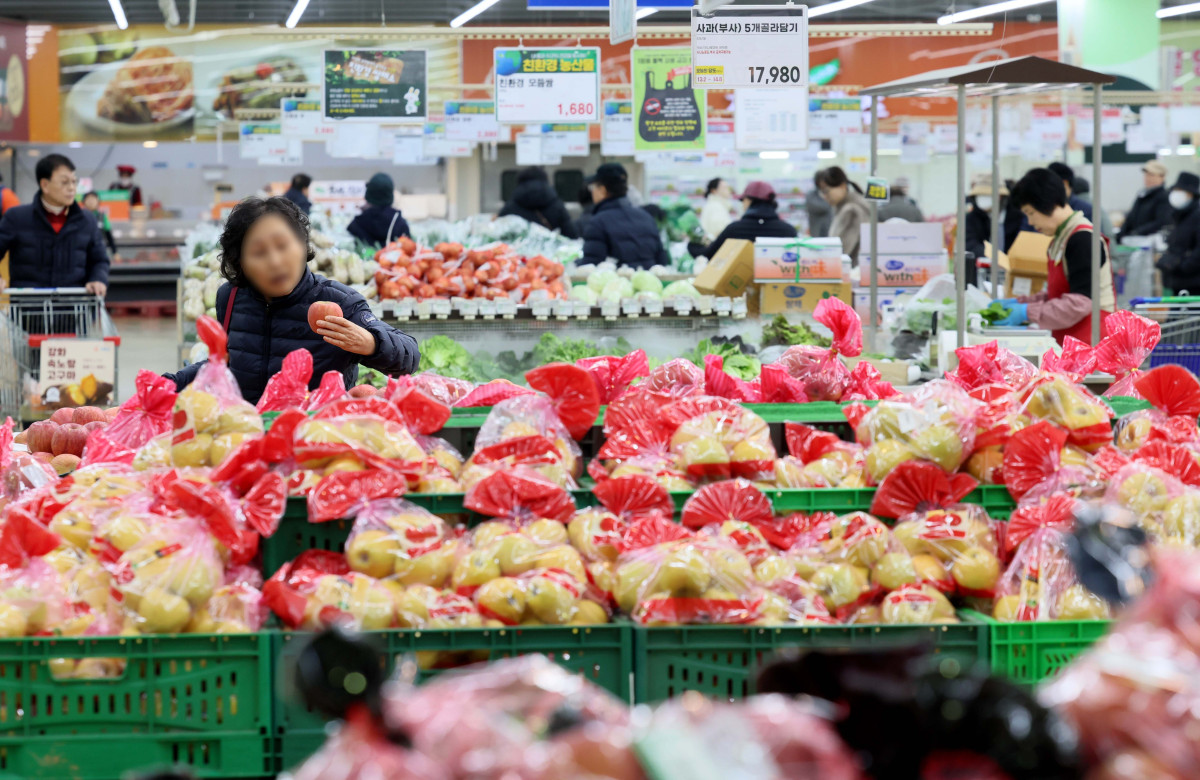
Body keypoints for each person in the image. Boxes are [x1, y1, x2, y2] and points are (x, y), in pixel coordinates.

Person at [164, 197, 418, 404]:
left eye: (283, 246)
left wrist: (372, 344)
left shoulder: (339, 302)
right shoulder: (230, 298)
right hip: (249, 438)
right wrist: (170, 384)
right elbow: (224, 364)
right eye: (259, 252)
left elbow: (409, 358)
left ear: (301, 244)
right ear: (240, 262)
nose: (275, 261)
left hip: (316, 440)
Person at [997, 168, 1115, 345]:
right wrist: (1021, 302)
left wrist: (1027, 312)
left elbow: (1080, 303)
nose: (1030, 222)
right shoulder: (1062, 237)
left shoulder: (1082, 239)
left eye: (1030, 213)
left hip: (1093, 342)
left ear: (1047, 203)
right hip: (1073, 339)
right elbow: (1061, 293)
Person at [0, 154, 109, 296]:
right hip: (29, 310)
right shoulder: (17, 218)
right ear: (44, 185)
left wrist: (98, 279)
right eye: (64, 182)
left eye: (74, 182)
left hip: (75, 309)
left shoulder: (87, 220)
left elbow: (100, 260)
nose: (71, 188)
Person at [581, 162, 668, 269]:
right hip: (650, 283)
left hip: (616, 284)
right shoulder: (646, 217)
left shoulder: (598, 222)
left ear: (603, 190)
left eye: (593, 187)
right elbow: (662, 260)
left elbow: (591, 266)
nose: (592, 191)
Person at [701, 181, 797, 258]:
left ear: (749, 201)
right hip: (778, 282)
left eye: (743, 201)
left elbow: (709, 255)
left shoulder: (734, 230)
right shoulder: (788, 231)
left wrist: (693, 245)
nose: (742, 205)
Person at [498, 167, 576, 237]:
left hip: (517, 252)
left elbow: (499, 234)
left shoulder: (511, 206)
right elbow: (571, 234)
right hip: (550, 251)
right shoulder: (556, 205)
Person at [815, 166, 871, 265]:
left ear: (842, 186)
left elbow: (841, 251)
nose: (824, 196)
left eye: (826, 191)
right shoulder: (843, 206)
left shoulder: (852, 210)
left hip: (852, 272)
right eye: (821, 192)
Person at [1156, 172, 1200, 294]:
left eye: (1180, 190)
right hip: (1177, 281)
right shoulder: (1177, 216)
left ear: (1191, 194)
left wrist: (1183, 267)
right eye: (1175, 189)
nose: (1176, 193)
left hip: (1193, 283)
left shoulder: (1196, 216)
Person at [963, 175, 1008, 285]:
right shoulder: (972, 218)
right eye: (980, 195)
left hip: (1009, 271)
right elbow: (970, 243)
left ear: (999, 196)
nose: (982, 199)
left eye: (987, 195)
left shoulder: (1014, 216)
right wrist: (991, 257)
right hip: (981, 272)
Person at [347, 173, 409, 248]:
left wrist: (364, 212)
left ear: (368, 195)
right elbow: (408, 248)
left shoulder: (358, 223)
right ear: (390, 195)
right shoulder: (400, 224)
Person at [1117, 160, 1173, 242]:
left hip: (1150, 241)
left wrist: (1137, 232)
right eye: (1146, 175)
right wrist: (1120, 235)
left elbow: (1161, 222)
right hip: (1134, 239)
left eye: (1152, 175)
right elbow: (1131, 217)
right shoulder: (1142, 195)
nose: (1148, 178)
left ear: (1162, 177)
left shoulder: (1164, 197)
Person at [81, 191, 118, 259]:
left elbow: (109, 236)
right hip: (82, 252)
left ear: (98, 201)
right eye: (88, 199)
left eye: (93, 199)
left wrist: (115, 252)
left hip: (98, 251)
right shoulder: (79, 217)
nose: (91, 201)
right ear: (84, 201)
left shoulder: (102, 217)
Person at [699, 177, 737, 242]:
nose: (728, 190)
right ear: (714, 191)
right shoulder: (716, 207)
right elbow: (720, 231)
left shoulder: (714, 205)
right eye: (725, 188)